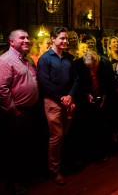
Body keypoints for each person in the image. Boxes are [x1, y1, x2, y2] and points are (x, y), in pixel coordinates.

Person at [0, 29, 41, 194]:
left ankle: (23, 179)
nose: (26, 40)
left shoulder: (25, 60)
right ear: (11, 42)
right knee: (12, 150)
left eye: (27, 37)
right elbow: (1, 88)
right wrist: (12, 109)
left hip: (30, 111)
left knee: (25, 147)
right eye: (21, 38)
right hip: (16, 113)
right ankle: (11, 184)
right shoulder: (5, 60)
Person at [38, 26, 79, 185]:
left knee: (65, 135)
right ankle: (54, 170)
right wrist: (61, 98)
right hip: (53, 102)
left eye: (66, 38)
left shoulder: (69, 57)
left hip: (68, 101)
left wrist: (70, 96)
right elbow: (44, 83)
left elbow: (76, 79)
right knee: (57, 137)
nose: (65, 41)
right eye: (61, 38)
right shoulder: (45, 59)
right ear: (52, 39)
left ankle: (63, 164)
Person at [71, 50, 115, 163]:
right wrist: (87, 93)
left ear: (96, 61)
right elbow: (78, 82)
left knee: (102, 126)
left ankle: (102, 152)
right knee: (88, 126)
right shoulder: (78, 64)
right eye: (89, 68)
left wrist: (105, 95)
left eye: (93, 67)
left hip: (103, 96)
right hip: (85, 100)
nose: (91, 70)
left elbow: (110, 83)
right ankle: (89, 154)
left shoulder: (105, 63)